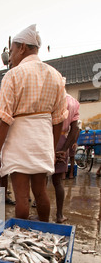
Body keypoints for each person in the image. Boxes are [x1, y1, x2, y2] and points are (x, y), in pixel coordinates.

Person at [0, 24, 68, 222]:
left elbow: (5, 119)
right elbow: (58, 119)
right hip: (42, 137)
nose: (12, 56)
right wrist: (50, 148)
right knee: (41, 191)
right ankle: (44, 231)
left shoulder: (13, 75)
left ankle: (22, 235)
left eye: (13, 50)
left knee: (22, 197)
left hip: (19, 139)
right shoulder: (56, 75)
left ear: (22, 47)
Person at [52, 94, 80, 223]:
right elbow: (75, 129)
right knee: (58, 182)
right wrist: (64, 149)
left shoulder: (52, 98)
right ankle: (59, 215)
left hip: (46, 139)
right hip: (63, 141)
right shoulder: (73, 102)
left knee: (39, 180)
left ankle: (41, 212)